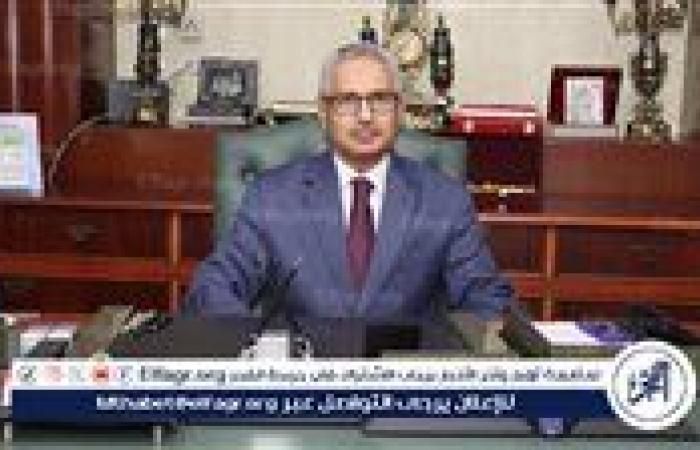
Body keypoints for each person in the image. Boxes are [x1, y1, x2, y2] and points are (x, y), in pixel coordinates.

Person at [184, 43, 513, 322]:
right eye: (348, 101)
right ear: (323, 112)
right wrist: (258, 353)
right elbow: (214, 287)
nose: (366, 116)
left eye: (380, 100)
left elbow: (487, 299)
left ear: (400, 110)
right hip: (302, 370)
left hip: (403, 370)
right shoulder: (272, 197)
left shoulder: (444, 201)